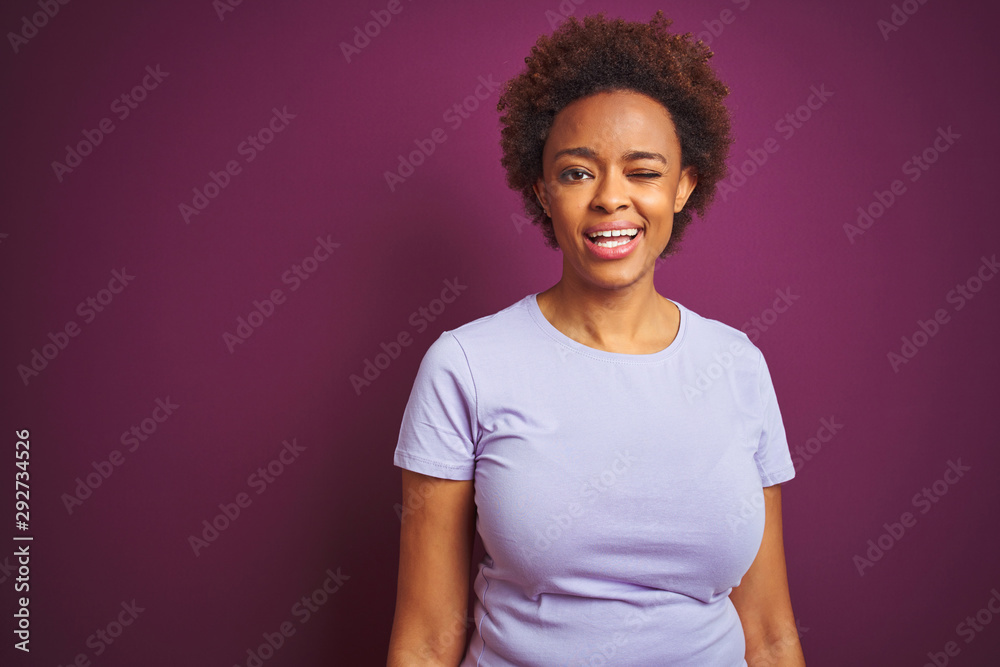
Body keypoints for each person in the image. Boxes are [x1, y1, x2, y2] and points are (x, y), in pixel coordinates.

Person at [387, 11, 805, 666]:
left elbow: (771, 633)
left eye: (642, 171)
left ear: (683, 186)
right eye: (579, 172)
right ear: (542, 188)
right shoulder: (465, 366)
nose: (611, 198)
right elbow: (427, 637)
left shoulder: (736, 365)